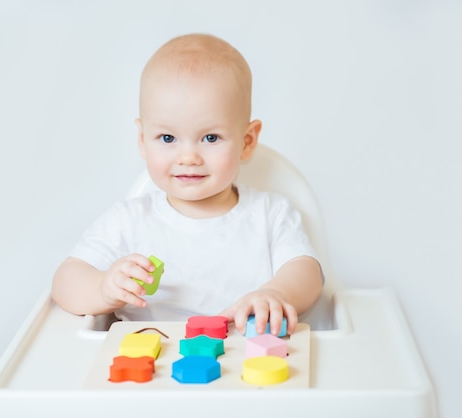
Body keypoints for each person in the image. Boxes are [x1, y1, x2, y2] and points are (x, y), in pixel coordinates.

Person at [51, 33, 322, 336]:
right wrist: (103, 289)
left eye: (210, 138)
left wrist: (279, 293)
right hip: (152, 368)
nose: (189, 157)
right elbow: (65, 281)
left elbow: (307, 273)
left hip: (248, 363)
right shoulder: (129, 221)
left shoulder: (270, 214)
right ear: (143, 140)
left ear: (247, 141)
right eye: (167, 138)